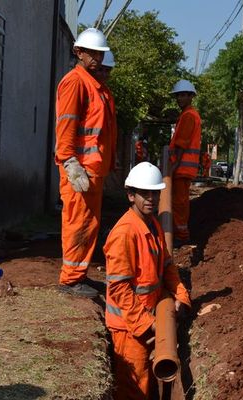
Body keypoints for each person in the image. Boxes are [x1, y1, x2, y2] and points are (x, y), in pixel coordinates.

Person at [103, 162, 191, 399]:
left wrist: (181, 297)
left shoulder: (152, 224)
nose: (151, 198)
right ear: (131, 195)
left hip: (148, 317)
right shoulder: (124, 233)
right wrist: (148, 323)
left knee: (147, 383)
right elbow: (120, 288)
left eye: (155, 193)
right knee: (134, 389)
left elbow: (167, 266)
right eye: (144, 193)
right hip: (128, 326)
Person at [55, 28, 116, 298]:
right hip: (80, 169)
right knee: (78, 222)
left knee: (89, 223)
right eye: (92, 53)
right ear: (78, 52)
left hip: (93, 169)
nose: (97, 58)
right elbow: (66, 124)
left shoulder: (95, 85)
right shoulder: (75, 82)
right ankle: (69, 280)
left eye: (100, 53)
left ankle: (78, 275)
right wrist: (69, 162)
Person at [168, 79, 201, 247]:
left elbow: (182, 143)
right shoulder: (187, 115)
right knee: (178, 202)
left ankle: (182, 235)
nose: (179, 98)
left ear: (191, 97)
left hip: (182, 168)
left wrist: (173, 167)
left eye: (183, 95)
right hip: (183, 168)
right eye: (178, 96)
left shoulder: (188, 116)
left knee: (179, 203)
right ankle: (179, 233)